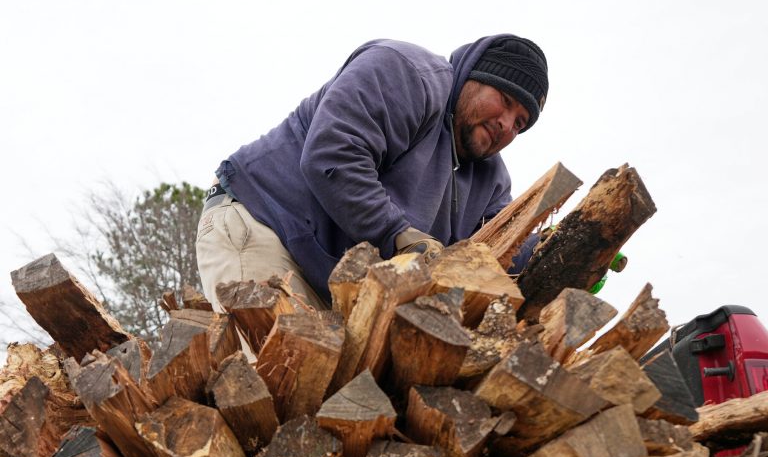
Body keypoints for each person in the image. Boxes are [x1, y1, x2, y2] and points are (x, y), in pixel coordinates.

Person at [196, 34, 549, 311]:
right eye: (504, 99)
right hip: (264, 224)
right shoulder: (409, 75)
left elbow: (503, 245)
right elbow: (332, 155)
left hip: (334, 280)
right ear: (473, 76)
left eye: (520, 122)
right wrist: (397, 234)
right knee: (270, 378)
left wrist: (578, 246)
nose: (506, 125)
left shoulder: (491, 178)